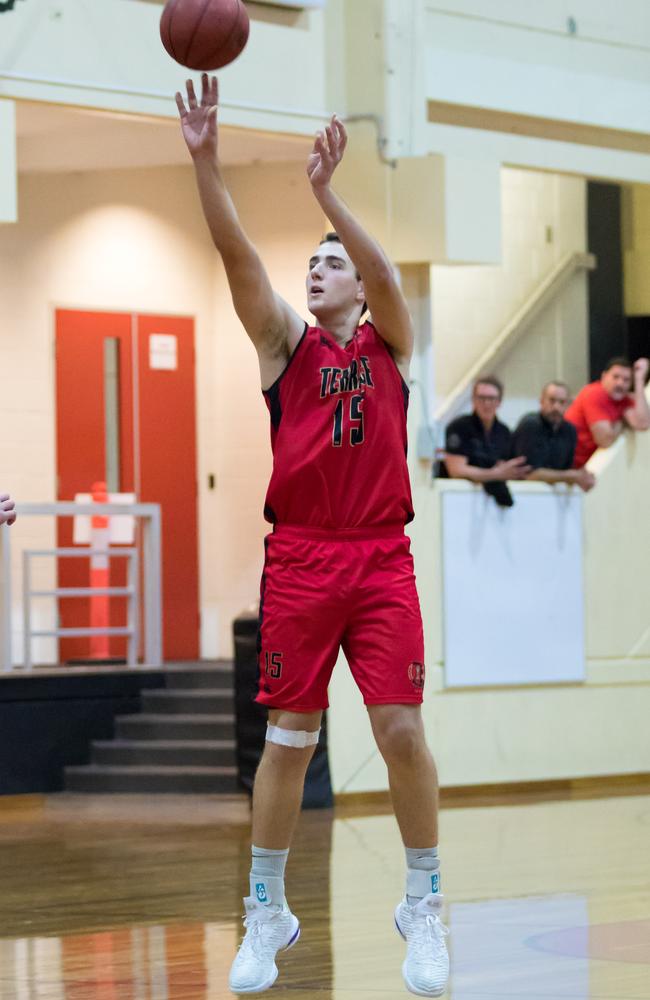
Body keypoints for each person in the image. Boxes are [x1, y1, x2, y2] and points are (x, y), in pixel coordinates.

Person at [176, 75, 449, 997]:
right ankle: (266, 910)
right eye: (314, 265)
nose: (316, 271)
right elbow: (235, 251)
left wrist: (330, 197)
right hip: (300, 556)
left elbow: (385, 278)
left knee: (402, 730)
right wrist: (207, 158)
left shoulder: (390, 343)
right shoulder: (283, 350)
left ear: (359, 294)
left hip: (380, 556)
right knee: (287, 742)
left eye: (330, 265)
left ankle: (425, 903)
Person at [442, 376, 530, 507]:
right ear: (473, 400)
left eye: (491, 399)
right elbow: (456, 470)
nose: (486, 403)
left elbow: (508, 467)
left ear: (499, 402)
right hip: (459, 501)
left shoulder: (504, 432)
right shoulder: (459, 427)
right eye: (481, 398)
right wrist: (495, 474)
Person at [565, 357, 650, 468]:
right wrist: (620, 422)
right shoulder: (594, 393)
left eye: (626, 380)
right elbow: (605, 440)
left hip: (584, 468)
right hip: (566, 465)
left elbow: (643, 423)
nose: (620, 383)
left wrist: (639, 379)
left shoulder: (624, 399)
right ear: (604, 376)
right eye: (615, 377)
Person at [513, 381, 595, 491]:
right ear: (541, 401)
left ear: (568, 405)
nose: (556, 407)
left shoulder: (569, 430)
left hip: (550, 497)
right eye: (552, 400)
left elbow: (566, 469)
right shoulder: (530, 425)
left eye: (562, 402)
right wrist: (572, 476)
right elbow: (530, 475)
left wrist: (581, 476)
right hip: (523, 494)